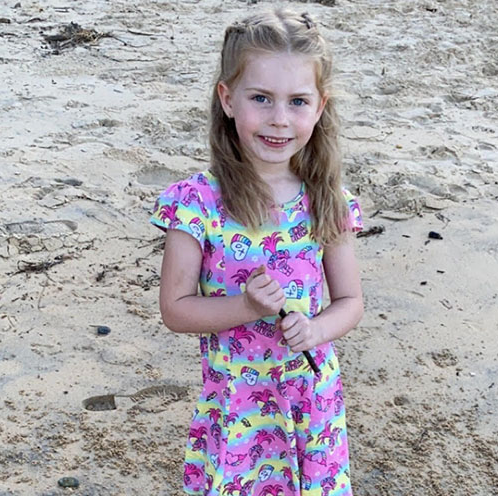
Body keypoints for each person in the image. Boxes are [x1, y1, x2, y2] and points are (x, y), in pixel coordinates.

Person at [150, 8, 363, 495]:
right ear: (228, 99)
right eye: (261, 98)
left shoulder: (328, 200)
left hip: (312, 403)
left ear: (320, 107)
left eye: (298, 101)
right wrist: (246, 306)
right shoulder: (196, 203)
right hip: (238, 407)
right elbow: (175, 310)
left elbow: (351, 301)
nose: (279, 119)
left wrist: (316, 330)